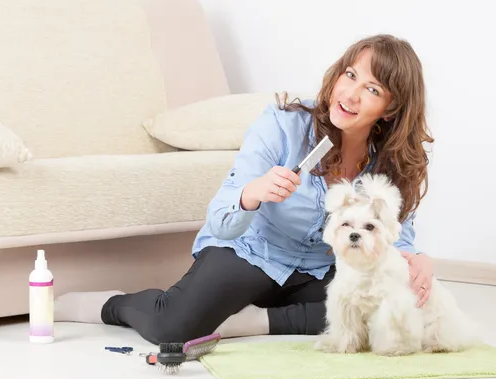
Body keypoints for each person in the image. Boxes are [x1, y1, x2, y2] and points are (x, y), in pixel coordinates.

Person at [54, 34, 435, 345]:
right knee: (172, 329)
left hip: (318, 268)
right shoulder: (282, 126)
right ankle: (112, 305)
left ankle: (252, 321)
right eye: (350, 76)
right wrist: (253, 193)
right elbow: (221, 221)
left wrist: (415, 258)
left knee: (378, 317)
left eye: (371, 89)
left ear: (389, 108)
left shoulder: (392, 162)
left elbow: (394, 238)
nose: (350, 95)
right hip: (252, 251)